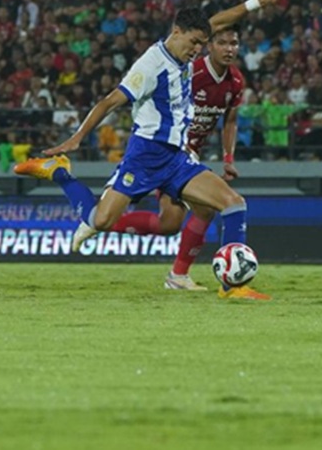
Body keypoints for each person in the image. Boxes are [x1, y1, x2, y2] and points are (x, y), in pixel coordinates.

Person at [14, 0, 285, 299]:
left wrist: (257, 3)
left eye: (202, 42)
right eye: (194, 42)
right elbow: (109, 101)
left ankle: (233, 287)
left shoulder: (187, 46)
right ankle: (59, 172)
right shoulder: (150, 66)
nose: (198, 49)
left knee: (233, 203)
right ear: (176, 32)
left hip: (178, 158)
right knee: (98, 220)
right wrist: (76, 138)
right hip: (144, 156)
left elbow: (223, 19)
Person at [110, 24, 263, 293]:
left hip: (187, 155)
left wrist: (228, 158)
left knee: (169, 223)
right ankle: (223, 283)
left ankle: (106, 222)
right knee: (223, 205)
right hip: (169, 151)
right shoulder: (191, 72)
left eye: (234, 43)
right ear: (209, 45)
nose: (229, 49)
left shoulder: (235, 81)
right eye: (223, 43)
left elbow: (230, 120)